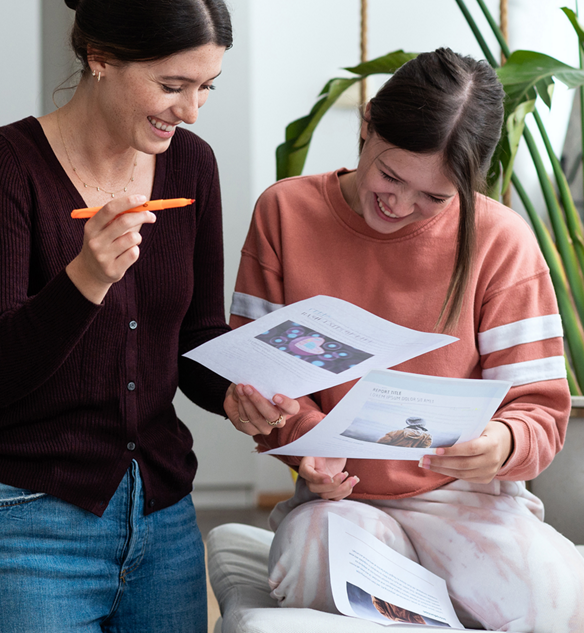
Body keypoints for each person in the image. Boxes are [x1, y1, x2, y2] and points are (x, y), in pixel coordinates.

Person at [0, 0, 283, 632]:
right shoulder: (0, 168)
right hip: (22, 516)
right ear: (101, 58)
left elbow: (191, 338)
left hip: (160, 517)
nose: (190, 111)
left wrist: (236, 393)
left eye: (205, 88)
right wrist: (85, 279)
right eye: (171, 86)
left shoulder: (191, 165)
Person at [212, 48, 584, 632]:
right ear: (366, 127)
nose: (400, 205)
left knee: (558, 602)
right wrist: (303, 439)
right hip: (341, 503)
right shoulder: (285, 212)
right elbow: (261, 379)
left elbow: (542, 413)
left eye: (435, 198)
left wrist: (501, 444)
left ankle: (423, 596)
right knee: (309, 564)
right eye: (390, 175)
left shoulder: (502, 241)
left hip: (465, 498)